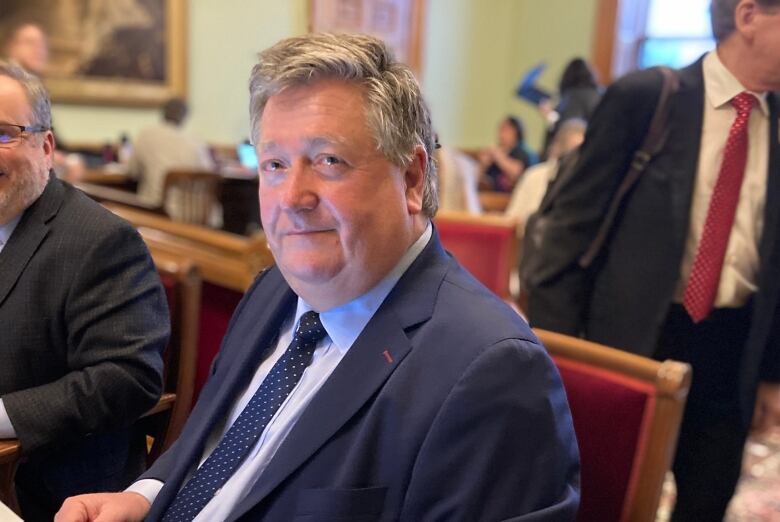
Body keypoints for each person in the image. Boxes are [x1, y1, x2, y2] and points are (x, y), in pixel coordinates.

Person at [56, 33, 580, 522]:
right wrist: (143, 497)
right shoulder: (273, 291)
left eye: (329, 161)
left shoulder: (491, 373)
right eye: (275, 165)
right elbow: (216, 444)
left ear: (412, 177)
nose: (292, 199)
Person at [525, 0, 780, 519]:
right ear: (750, 16)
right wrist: (559, 362)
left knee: (706, 500)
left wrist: (772, 373)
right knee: (603, 498)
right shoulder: (647, 98)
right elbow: (567, 234)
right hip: (632, 340)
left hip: (732, 350)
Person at [0, 61, 168, 521]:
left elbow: (128, 376)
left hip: (46, 487)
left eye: (3, 134)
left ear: (46, 146)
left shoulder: (100, 241)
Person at [127, 98, 214, 214]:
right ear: (185, 117)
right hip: (194, 216)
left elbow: (132, 171)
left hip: (156, 212)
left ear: (163, 113)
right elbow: (209, 174)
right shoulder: (196, 141)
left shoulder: (146, 135)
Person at [505, 118, 587, 231]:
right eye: (570, 153)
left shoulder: (588, 184)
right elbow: (511, 219)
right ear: (556, 148)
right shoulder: (534, 176)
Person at [538, 57, 600, 159]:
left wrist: (550, 116)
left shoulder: (571, 97)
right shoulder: (599, 95)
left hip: (573, 156)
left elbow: (567, 127)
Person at [479, 115, 537, 192]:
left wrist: (498, 156)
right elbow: (480, 179)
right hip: (495, 195)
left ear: (516, 131)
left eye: (505, 129)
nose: (501, 134)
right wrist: (483, 164)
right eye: (500, 129)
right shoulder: (497, 152)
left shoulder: (524, 152)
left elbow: (516, 173)